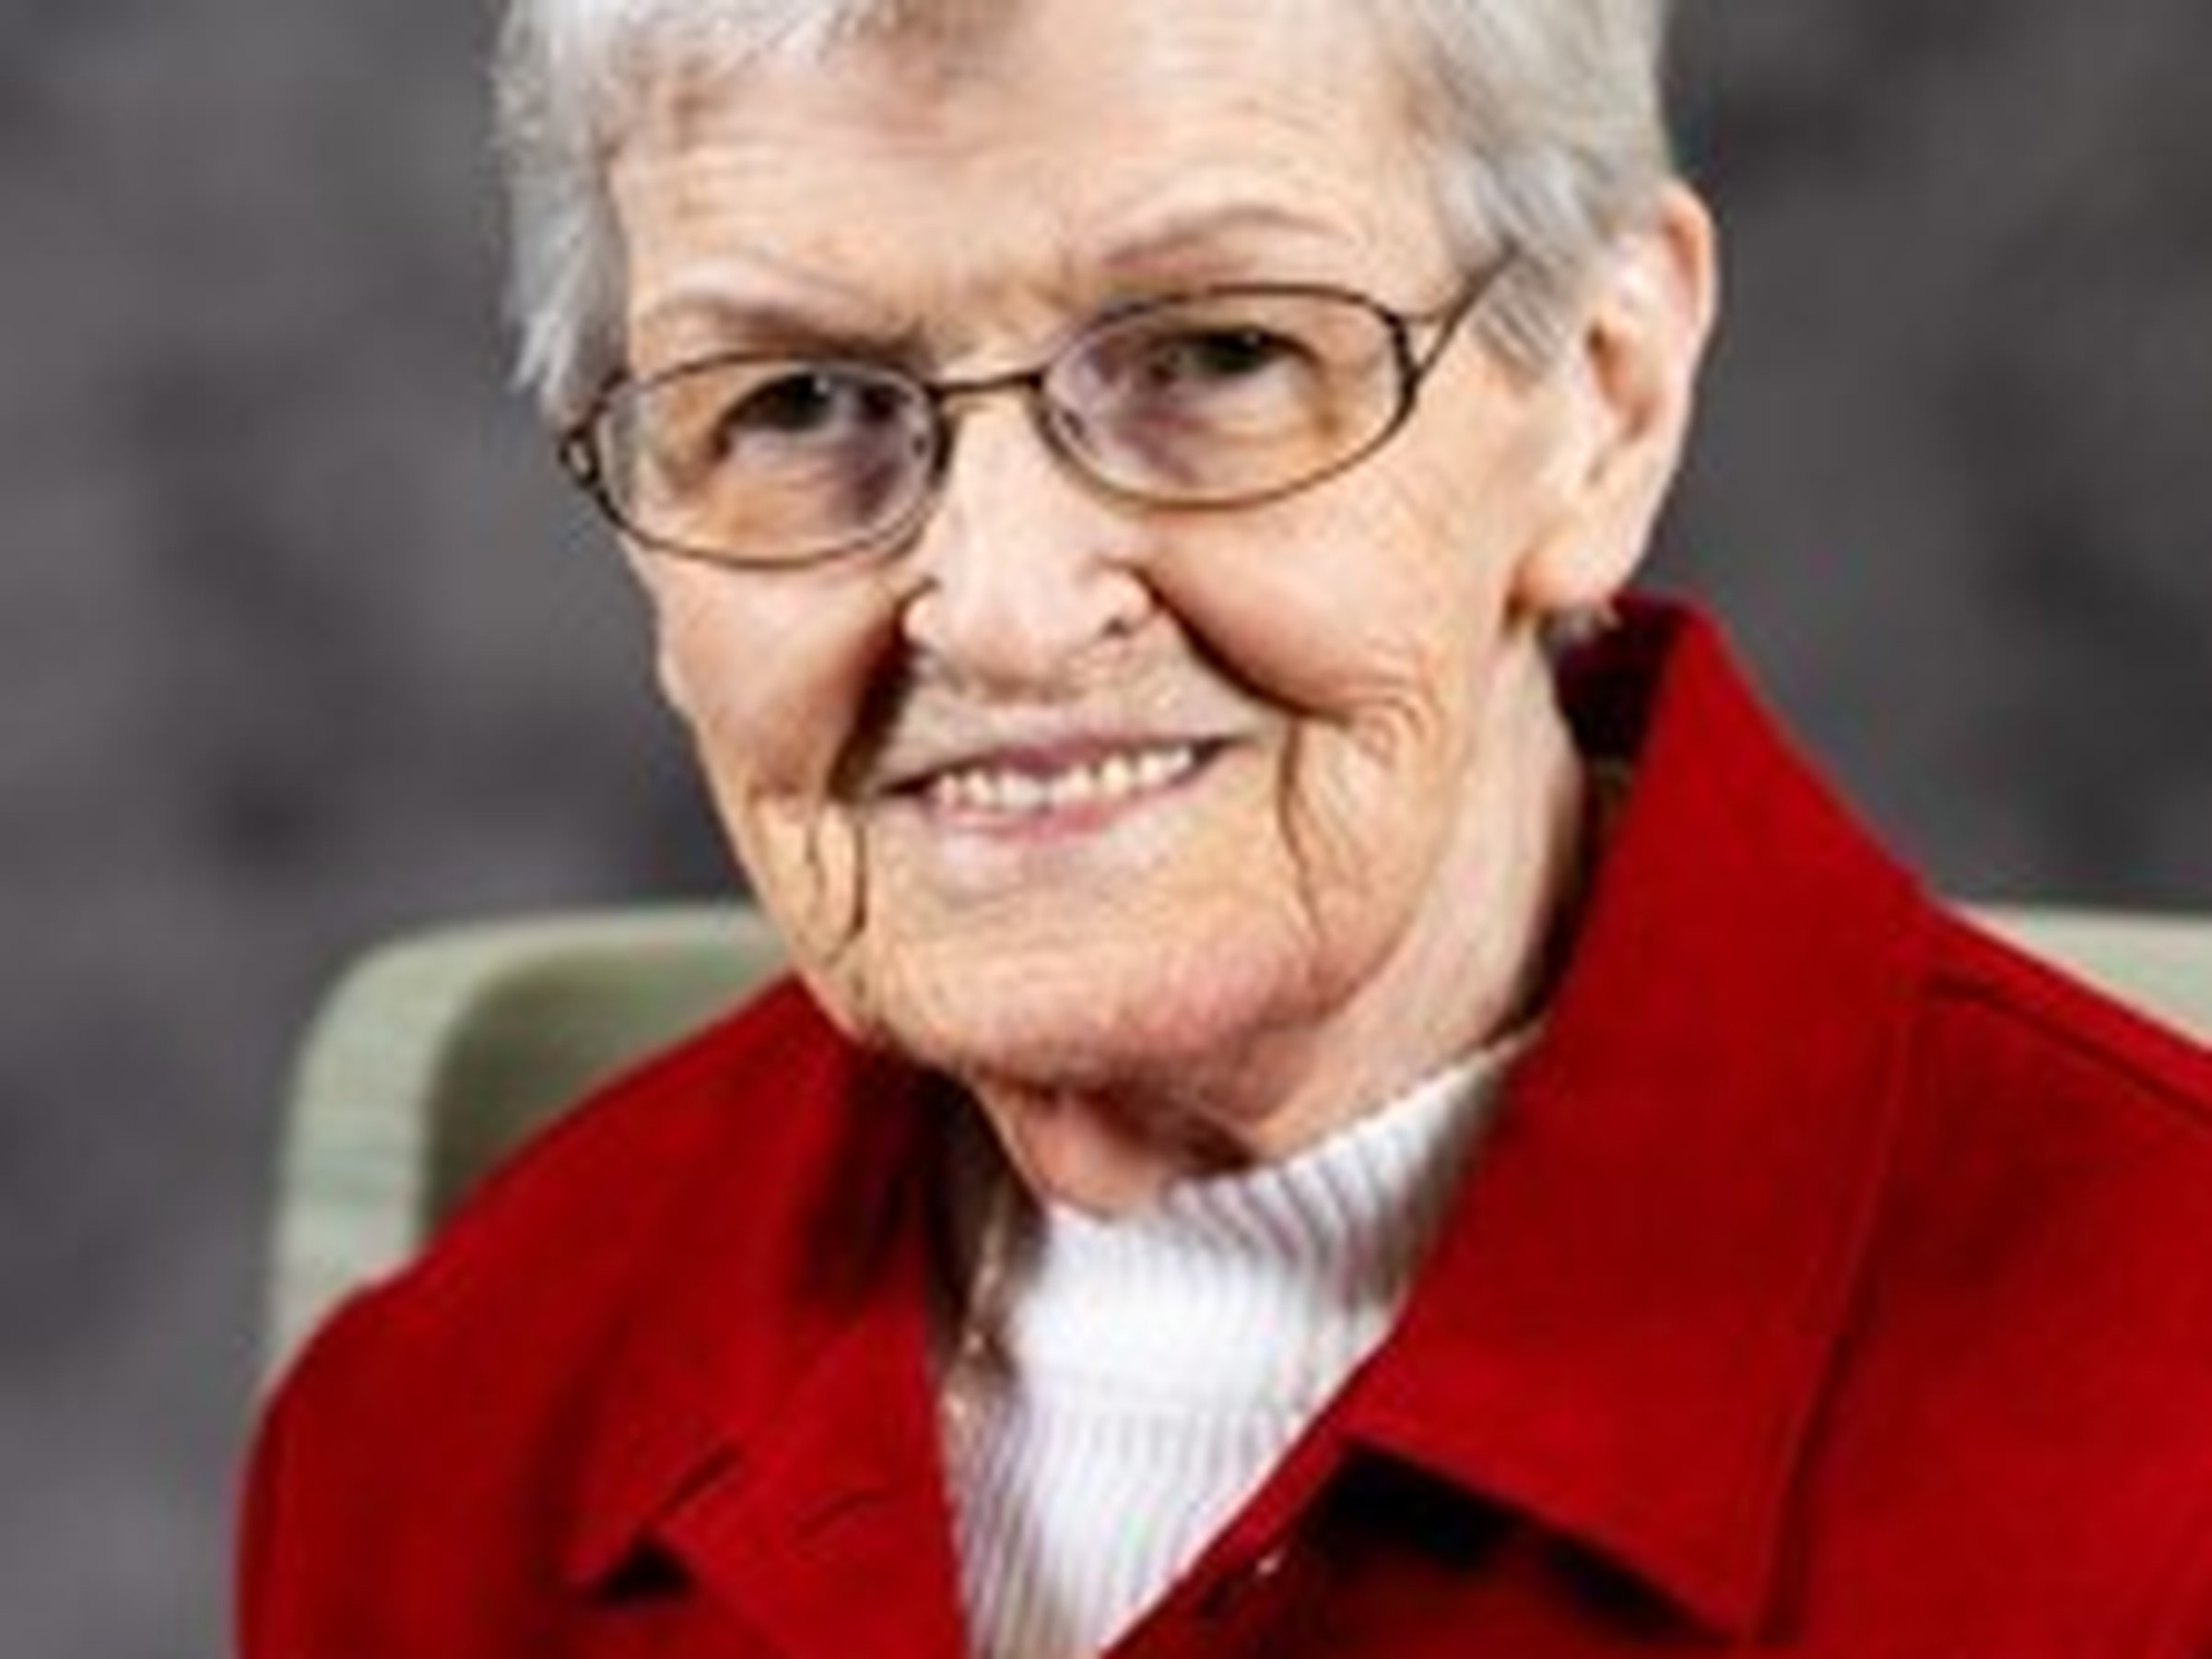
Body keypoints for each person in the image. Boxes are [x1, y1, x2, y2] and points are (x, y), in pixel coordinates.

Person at [237, 0, 2212, 1653]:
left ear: (1602, 402)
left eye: (1214, 356)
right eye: (800, 403)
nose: (1006, 608)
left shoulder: (2163, 1428)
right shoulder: (440, 1435)